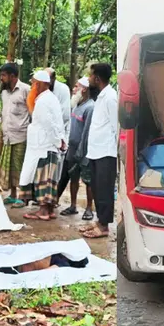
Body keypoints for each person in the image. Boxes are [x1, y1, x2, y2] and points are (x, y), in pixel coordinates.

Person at [18, 70, 66, 220]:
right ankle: (49, 210)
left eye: (33, 83)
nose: (32, 86)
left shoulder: (44, 101)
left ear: (40, 84)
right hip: (46, 144)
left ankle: (44, 211)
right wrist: (60, 141)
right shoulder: (49, 98)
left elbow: (48, 124)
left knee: (43, 178)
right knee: (47, 178)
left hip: (43, 146)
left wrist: (57, 141)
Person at [80, 64, 118, 239]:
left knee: (104, 190)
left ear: (97, 78)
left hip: (106, 152)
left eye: (90, 76)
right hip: (96, 151)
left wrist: (116, 151)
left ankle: (104, 227)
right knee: (96, 187)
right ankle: (100, 220)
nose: (88, 79)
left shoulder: (110, 97)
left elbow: (116, 126)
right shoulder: (100, 97)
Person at [57, 76, 97, 220]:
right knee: (73, 178)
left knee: (88, 180)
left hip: (84, 150)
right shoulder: (76, 105)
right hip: (72, 148)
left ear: (84, 89)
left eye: (76, 86)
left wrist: (81, 151)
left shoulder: (90, 107)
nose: (74, 89)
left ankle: (89, 208)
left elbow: (86, 132)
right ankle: (73, 206)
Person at [0, 62, 31, 208]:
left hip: (21, 135)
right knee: (10, 168)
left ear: (12, 76)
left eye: (3, 75)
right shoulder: (4, 92)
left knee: (20, 166)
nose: (1, 78)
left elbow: (31, 112)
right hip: (7, 135)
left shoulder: (25, 90)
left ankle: (23, 198)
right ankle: (13, 195)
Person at [46, 67, 71, 140]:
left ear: (53, 78)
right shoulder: (42, 88)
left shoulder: (63, 89)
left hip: (59, 133)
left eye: (48, 79)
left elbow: (65, 115)